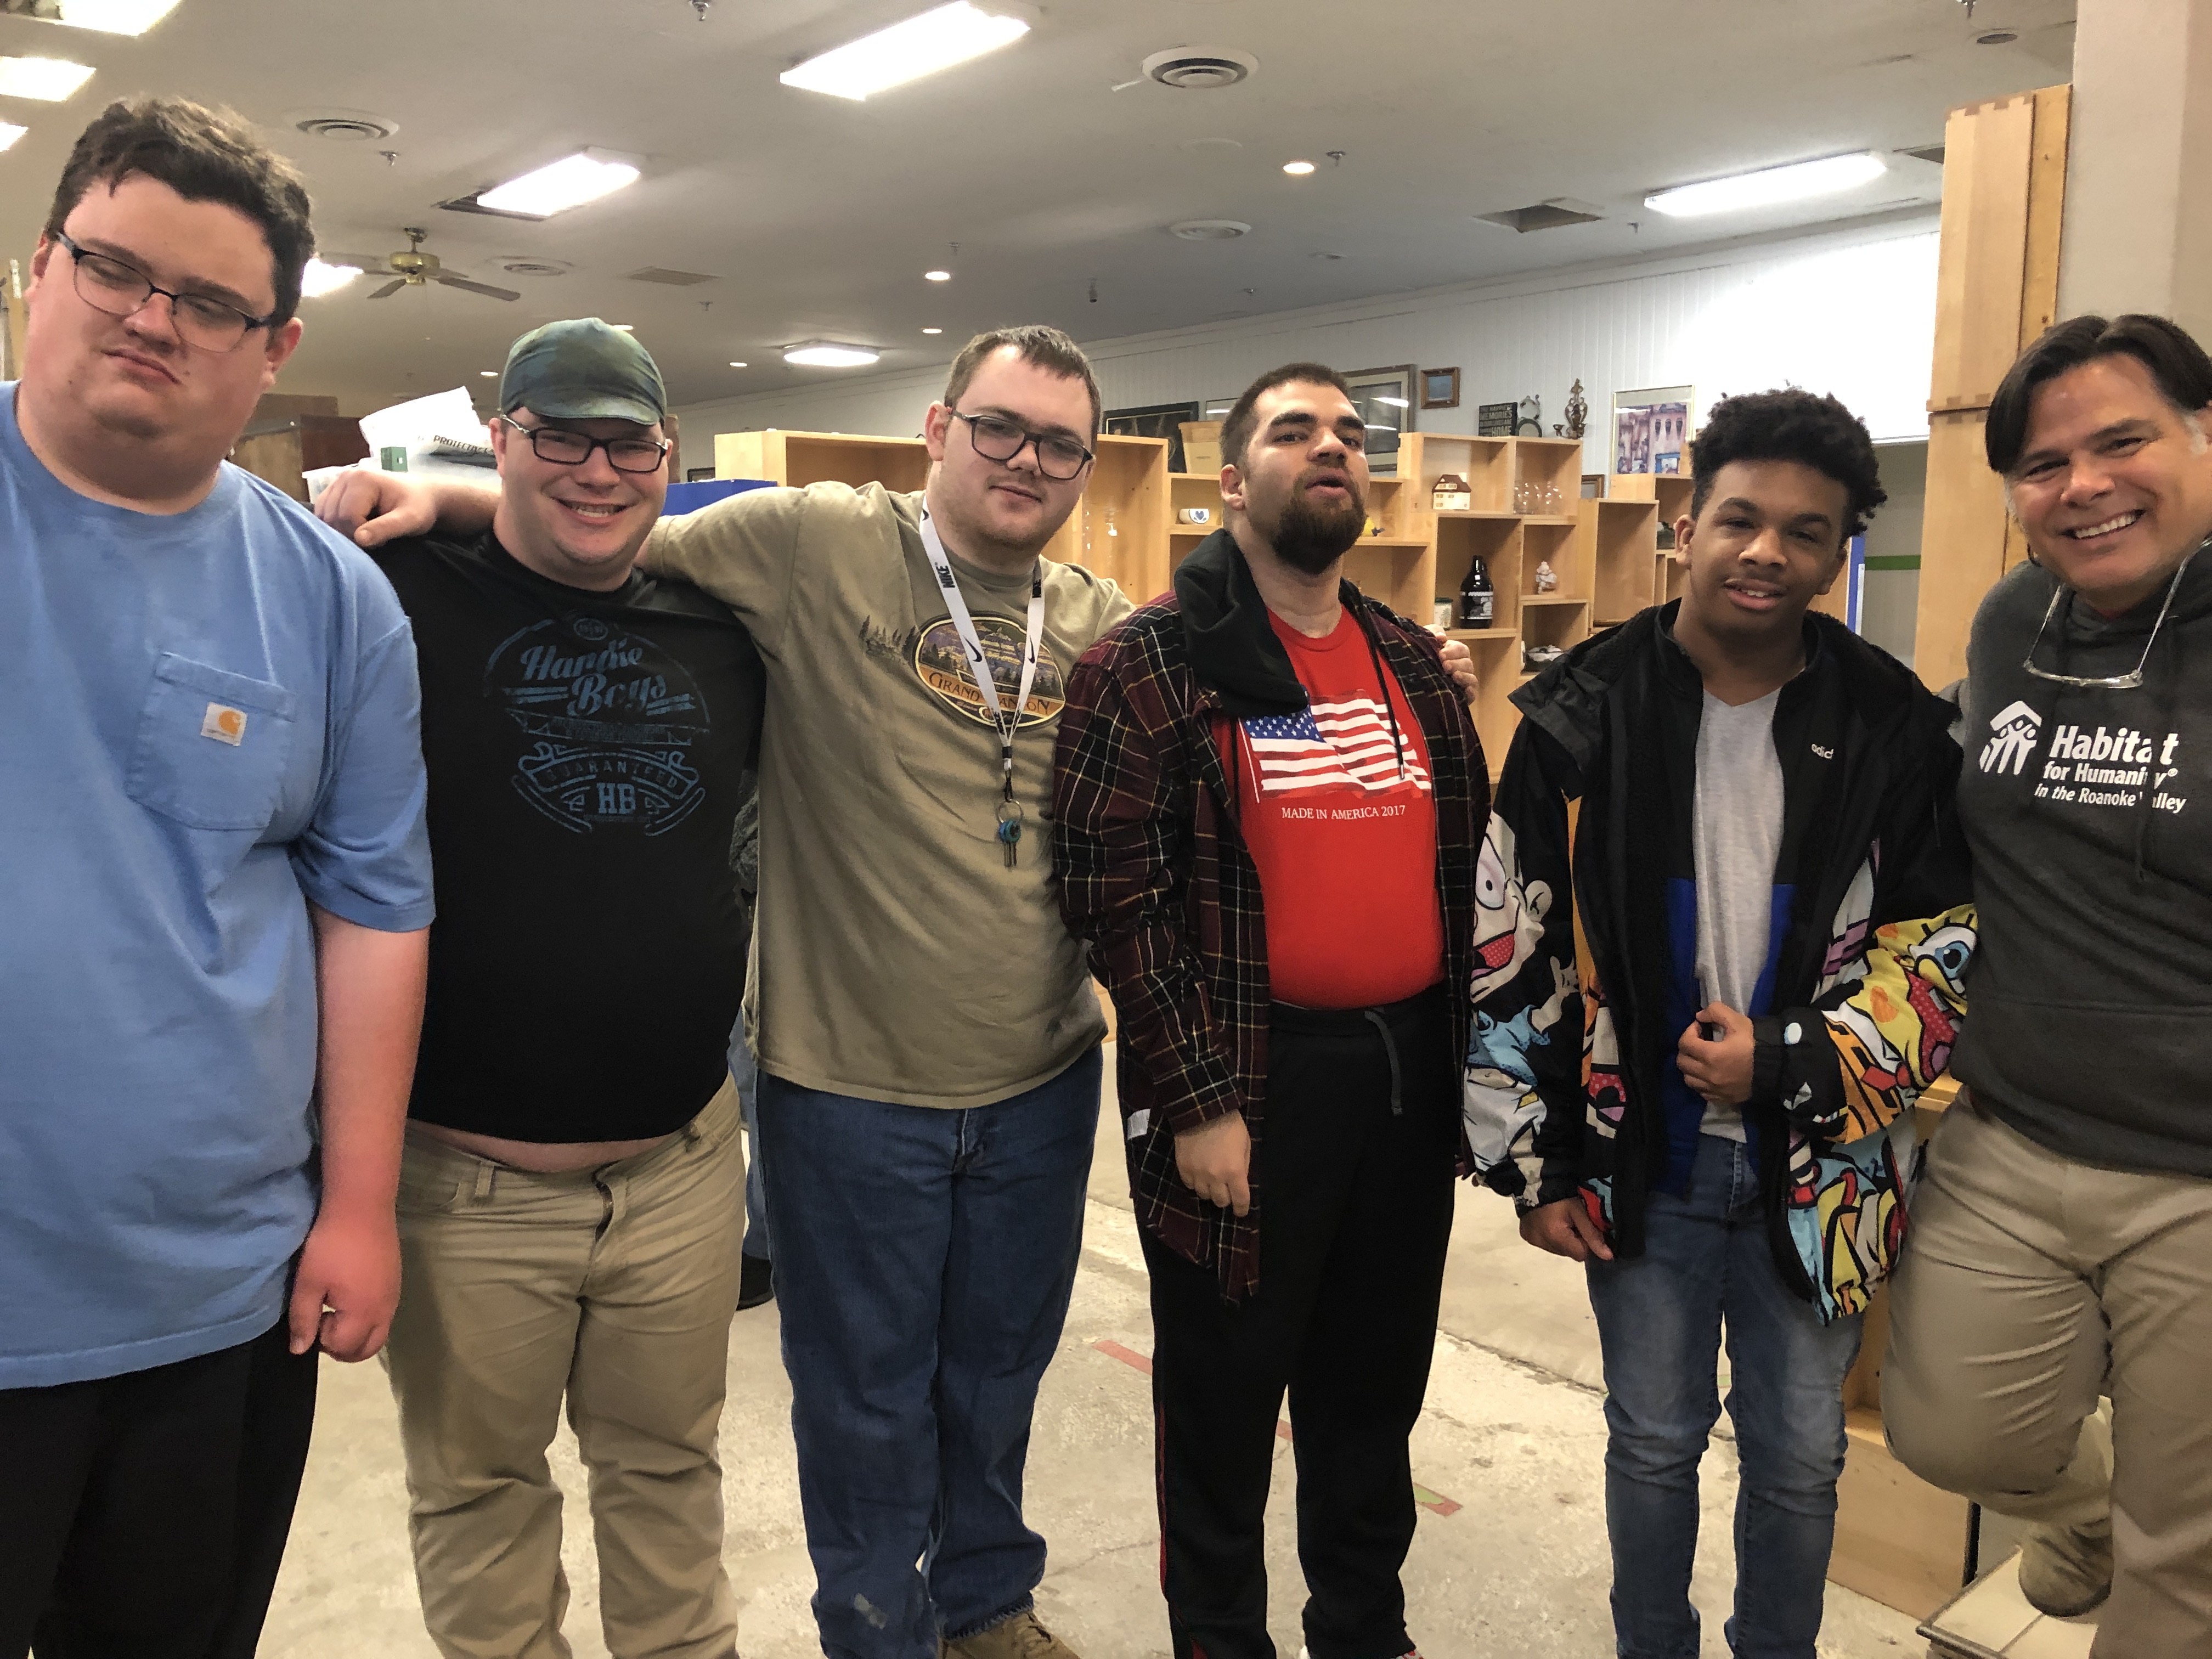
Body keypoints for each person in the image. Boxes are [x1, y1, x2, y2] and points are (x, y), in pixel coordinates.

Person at [0, 97, 434, 1658]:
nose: (149, 319)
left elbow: (376, 909)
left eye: (208, 302)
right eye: (113, 267)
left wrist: (362, 1210)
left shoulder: (332, 601)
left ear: (275, 344)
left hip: (213, 1299)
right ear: (38, 266)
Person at [1469, 389, 1973, 1659]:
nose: (1767, 551)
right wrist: (1537, 1163)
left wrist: (1794, 1059)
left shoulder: (1896, 727)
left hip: (1824, 1162)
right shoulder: (1577, 712)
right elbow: (1508, 942)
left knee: (1802, 1456)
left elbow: (1942, 953)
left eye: (1806, 533)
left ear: (1837, 554)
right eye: (1739, 520)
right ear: (1686, 526)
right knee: (1650, 1440)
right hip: (1639, 1154)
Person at [1053, 363, 1485, 1659]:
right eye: (1295, 433)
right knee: (1228, 1405)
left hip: (1405, 1075)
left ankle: (1365, 1628)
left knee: (1374, 1392)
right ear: (1233, 482)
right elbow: (1109, 897)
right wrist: (1195, 1102)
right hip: (1248, 1074)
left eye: (1352, 435)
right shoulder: (1145, 664)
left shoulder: (1415, 663)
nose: (1333, 450)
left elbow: (1469, 872)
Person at [368, 318, 764, 1659]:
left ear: (668, 455)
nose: (596, 473)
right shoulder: (397, 583)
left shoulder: (727, 616)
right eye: (558, 440)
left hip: (682, 1165)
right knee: (480, 1497)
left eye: (629, 443)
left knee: (669, 1477)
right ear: (501, 441)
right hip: (460, 1182)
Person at [1881, 313, 2212, 1656]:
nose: (2083, 485)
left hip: (2198, 1175)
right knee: (1948, 1429)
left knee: (2180, 1570)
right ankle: (2083, 1516)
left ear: (2202, 433)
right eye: (2041, 464)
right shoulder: (2019, 618)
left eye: (2121, 441)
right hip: (2013, 1131)